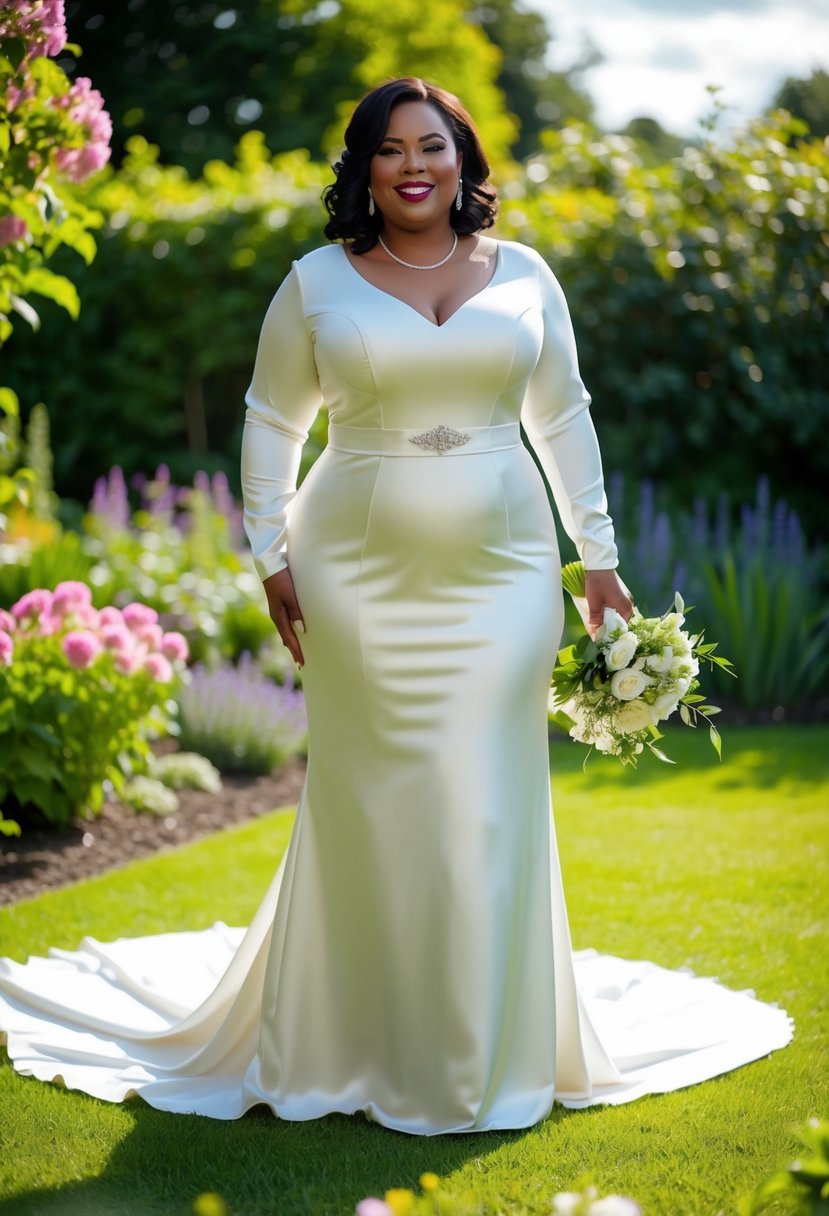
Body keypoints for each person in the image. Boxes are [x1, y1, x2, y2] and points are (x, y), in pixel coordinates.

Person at [0, 77, 793, 1135]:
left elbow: (562, 420)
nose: (413, 165)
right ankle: (353, 1039)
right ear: (363, 170)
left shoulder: (527, 276)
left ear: (463, 160)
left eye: (432, 145)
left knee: (488, 796)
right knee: (375, 797)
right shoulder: (316, 282)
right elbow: (270, 421)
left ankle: (486, 1047)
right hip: (357, 576)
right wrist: (268, 555)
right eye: (389, 150)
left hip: (507, 570)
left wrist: (596, 558)